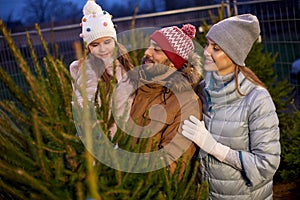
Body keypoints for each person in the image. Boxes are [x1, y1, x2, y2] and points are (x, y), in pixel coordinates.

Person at [182, 14, 281, 199]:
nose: (206, 52)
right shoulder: (203, 90)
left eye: (216, 48)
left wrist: (214, 147)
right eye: (207, 44)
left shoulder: (256, 99)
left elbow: (267, 164)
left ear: (233, 54)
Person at [127, 24, 203, 177]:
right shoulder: (134, 87)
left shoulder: (187, 103)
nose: (147, 52)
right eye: (149, 47)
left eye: (157, 50)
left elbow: (173, 164)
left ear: (174, 64)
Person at [69, 0, 135, 137]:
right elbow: (84, 99)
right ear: (88, 47)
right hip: (104, 136)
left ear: (114, 41)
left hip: (128, 132)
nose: (103, 49)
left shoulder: (122, 62)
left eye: (107, 42)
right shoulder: (88, 69)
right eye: (95, 45)